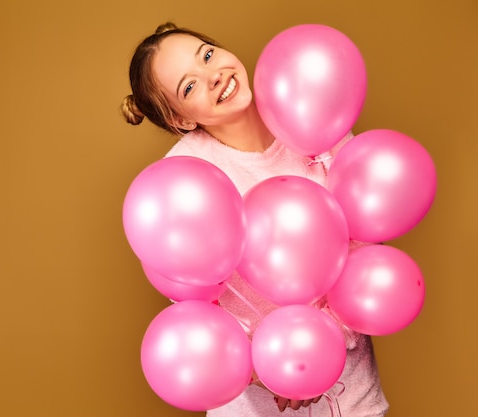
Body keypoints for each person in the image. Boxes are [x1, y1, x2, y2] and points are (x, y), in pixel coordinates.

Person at [121, 22, 389, 416]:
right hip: (258, 402)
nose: (214, 77)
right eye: (189, 87)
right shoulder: (183, 180)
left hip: (352, 395)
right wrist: (271, 370)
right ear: (181, 119)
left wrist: (321, 343)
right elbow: (197, 306)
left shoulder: (312, 116)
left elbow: (365, 243)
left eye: (208, 56)